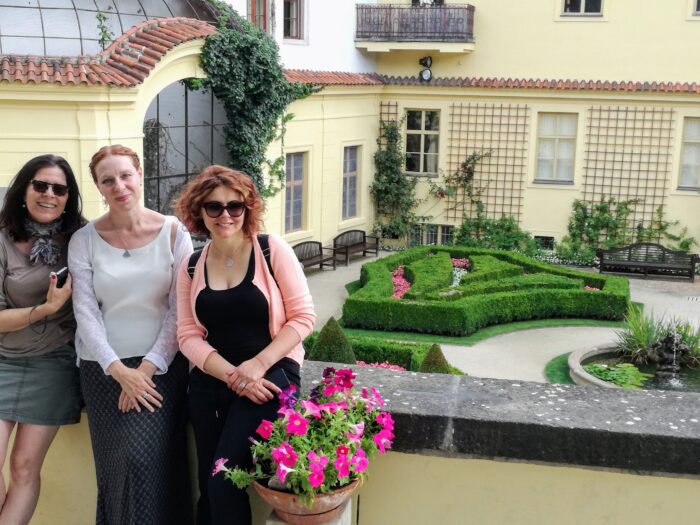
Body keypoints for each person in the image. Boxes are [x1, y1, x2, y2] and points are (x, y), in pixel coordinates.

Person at [174, 165, 315, 525]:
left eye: (234, 206)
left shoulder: (270, 250)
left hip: (270, 378)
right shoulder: (191, 266)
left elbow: (303, 317)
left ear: (247, 209)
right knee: (210, 486)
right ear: (199, 212)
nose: (225, 215)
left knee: (224, 480)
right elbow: (187, 334)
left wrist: (256, 366)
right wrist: (234, 375)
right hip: (212, 382)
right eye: (214, 207)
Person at [68, 145, 193, 525]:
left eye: (125, 175)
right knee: (116, 468)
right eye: (108, 180)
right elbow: (86, 312)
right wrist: (118, 369)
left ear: (140, 175)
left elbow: (179, 310)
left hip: (161, 371)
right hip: (103, 371)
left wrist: (146, 369)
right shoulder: (84, 240)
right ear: (98, 187)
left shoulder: (174, 233)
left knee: (146, 462)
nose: (119, 185)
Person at [0, 154, 85, 525]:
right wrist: (47, 309)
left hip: (52, 363)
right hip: (2, 359)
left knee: (23, 468)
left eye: (59, 188)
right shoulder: (2, 238)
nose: (49, 194)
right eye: (40, 185)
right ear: (24, 190)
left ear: (68, 197)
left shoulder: (82, 239)